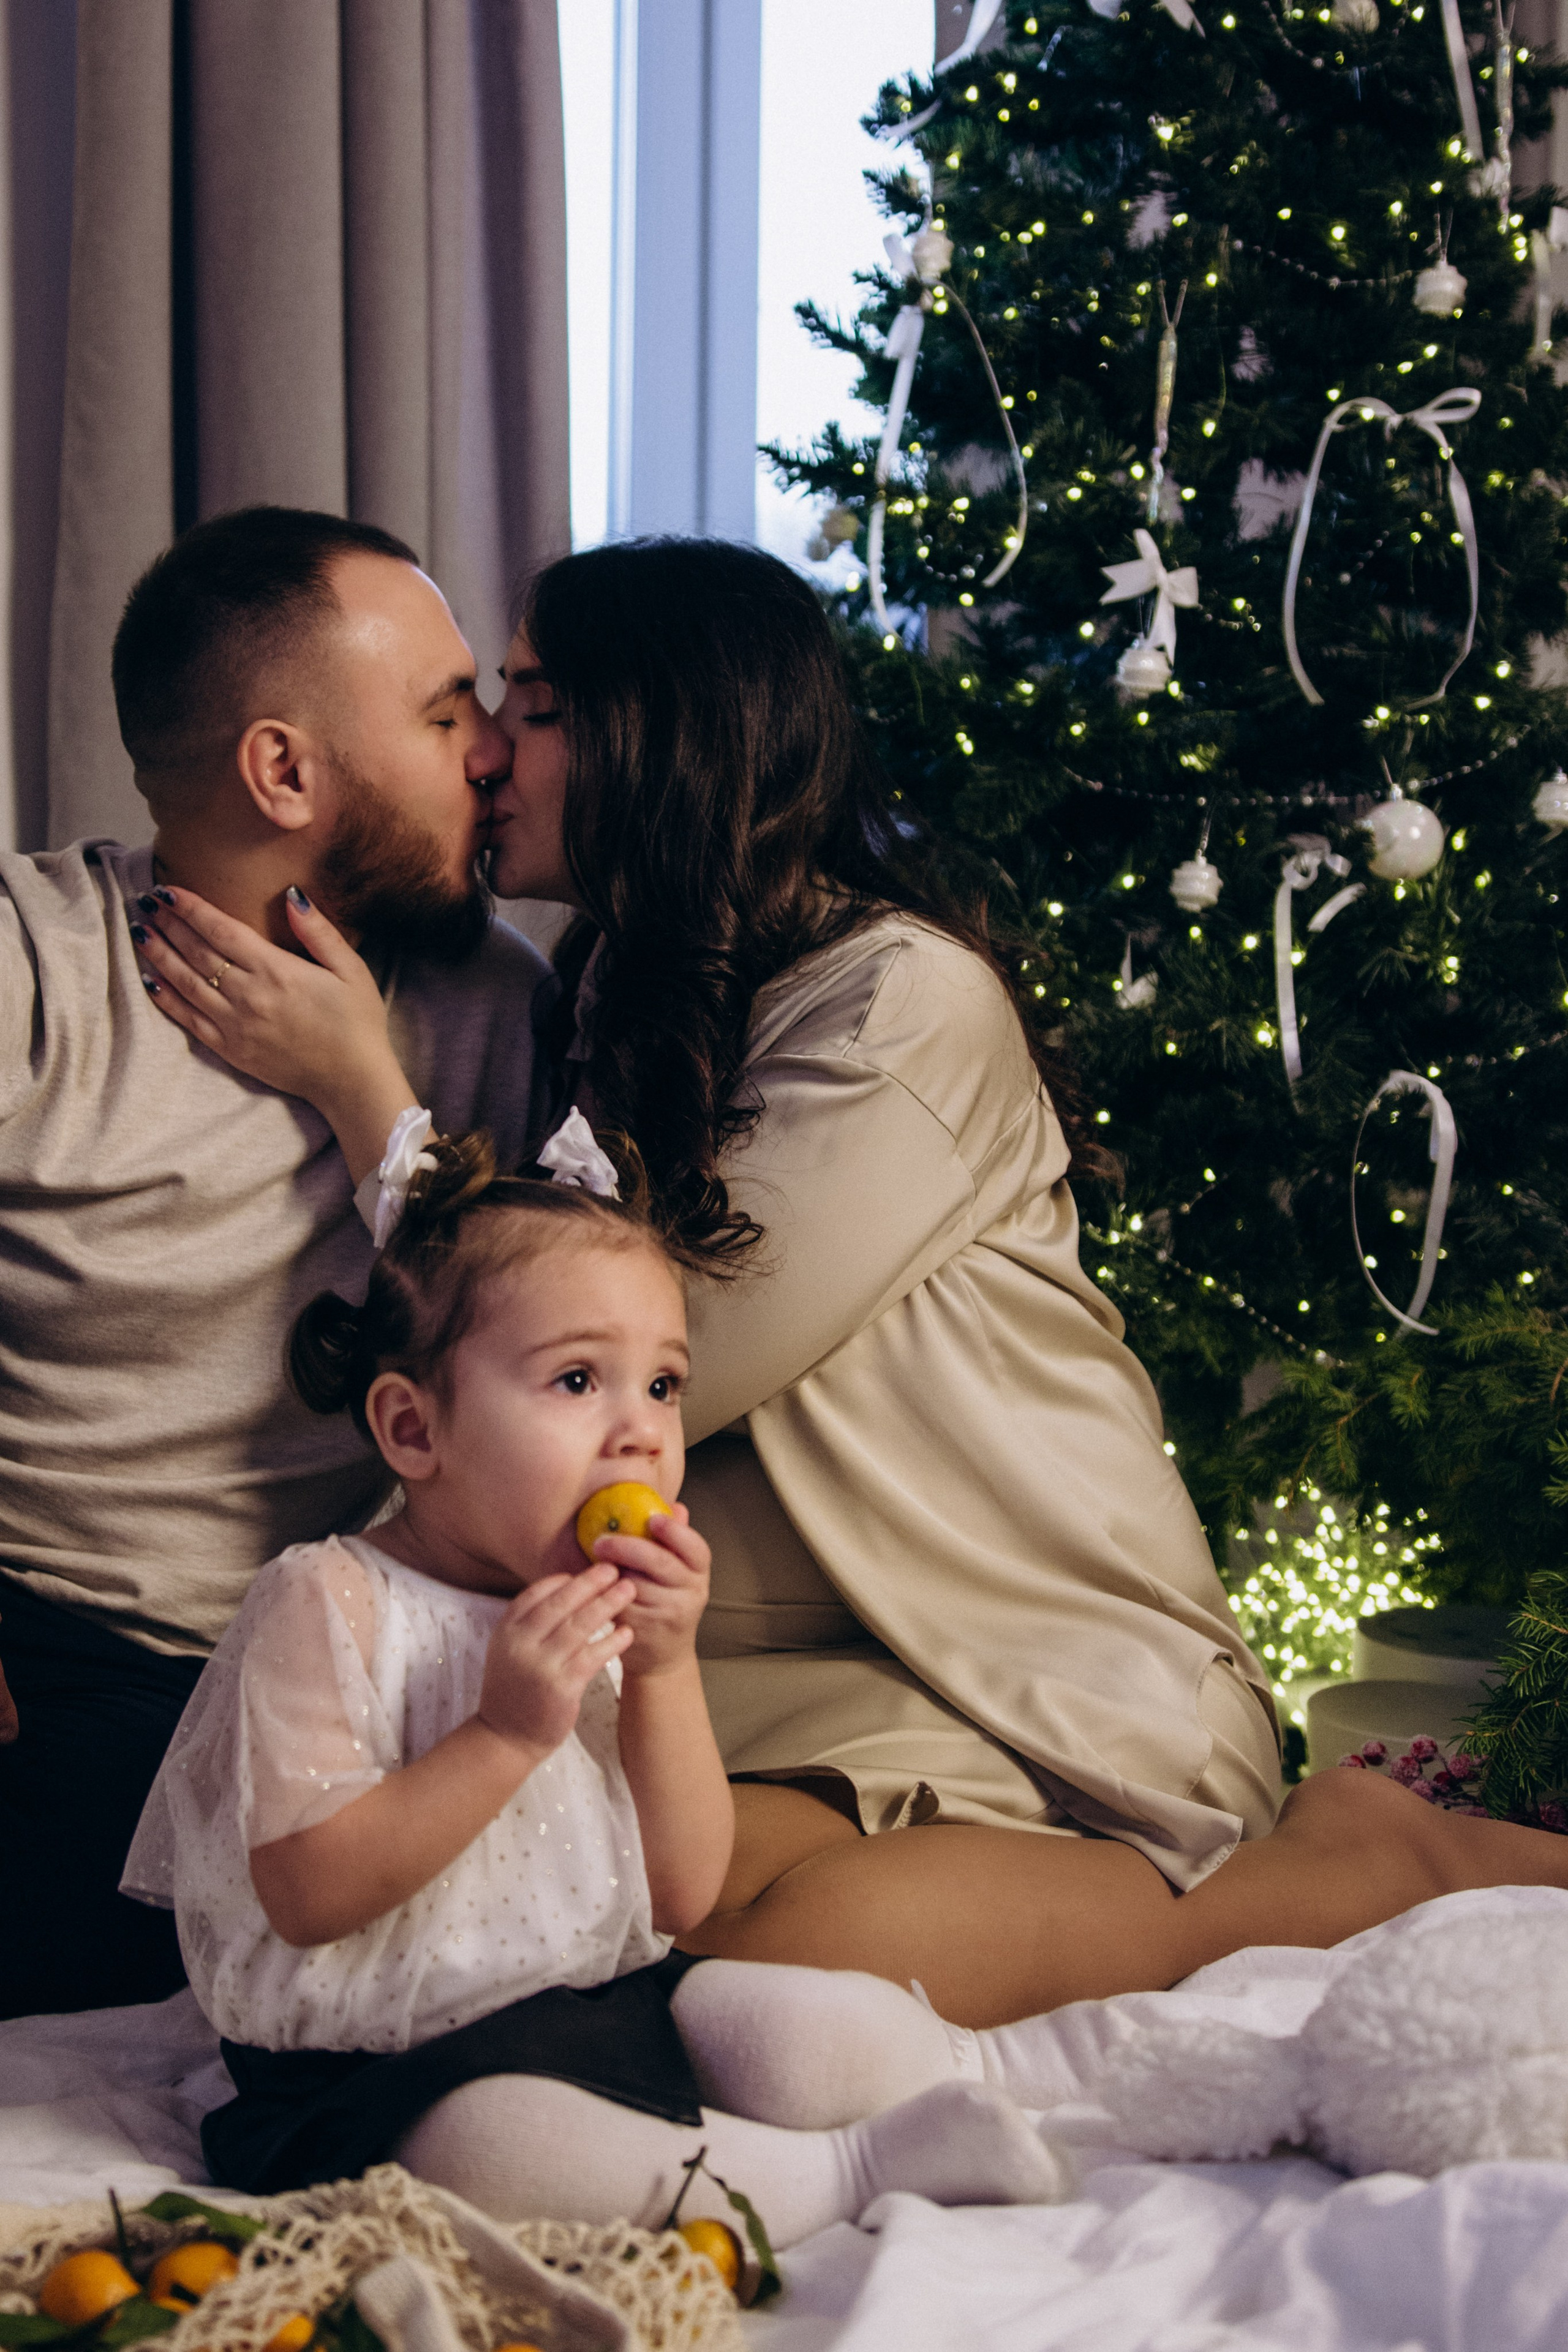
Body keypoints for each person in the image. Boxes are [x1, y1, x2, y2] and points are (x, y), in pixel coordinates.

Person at [130, 537, 1568, 2027]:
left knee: (770, 1976)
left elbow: (653, 1344)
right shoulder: (616, 989)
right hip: (809, 1675)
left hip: (1022, 1671)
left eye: (536, 704)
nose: (488, 750)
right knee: (611, 1911)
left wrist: (368, 1094)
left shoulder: (902, 1007)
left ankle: (1376, 1854)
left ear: (660, 735)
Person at [123, 1136, 1065, 2239]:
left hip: (588, 2004)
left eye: (663, 1384)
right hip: (377, 2065)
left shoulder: (595, 1611)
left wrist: (665, 1669)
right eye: (578, 1379)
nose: (642, 1430)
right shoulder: (328, 1601)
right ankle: (842, 2176)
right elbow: (307, 1892)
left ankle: (930, 2089)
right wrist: (505, 1737)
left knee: (836, 2025)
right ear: (414, 1429)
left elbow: (680, 1895)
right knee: (497, 2153)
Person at [0, 506, 550, 2021]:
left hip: (368, 1653)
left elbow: (536, 1341)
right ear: (284, 770)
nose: (492, 753)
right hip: (75, 1649)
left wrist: (362, 1086)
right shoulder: (40, 962)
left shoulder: (492, 998)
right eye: (447, 715)